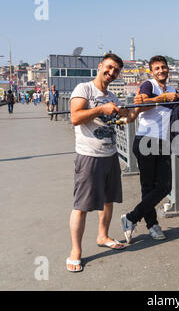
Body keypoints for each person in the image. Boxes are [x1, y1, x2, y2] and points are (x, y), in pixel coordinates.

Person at [120, 55, 179, 243]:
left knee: (164, 186)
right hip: (146, 140)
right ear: (151, 71)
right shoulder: (148, 85)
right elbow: (142, 104)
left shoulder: (173, 90)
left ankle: (131, 218)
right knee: (148, 187)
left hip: (163, 142)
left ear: (168, 70)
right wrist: (164, 97)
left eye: (163, 67)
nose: (161, 70)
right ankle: (152, 225)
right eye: (157, 68)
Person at [66, 53, 139, 272]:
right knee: (82, 206)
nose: (112, 72)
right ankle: (75, 251)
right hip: (89, 156)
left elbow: (126, 118)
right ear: (100, 66)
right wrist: (100, 109)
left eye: (116, 70)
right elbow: (75, 117)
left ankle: (102, 236)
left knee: (108, 201)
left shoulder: (113, 98)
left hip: (111, 155)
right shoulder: (84, 89)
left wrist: (137, 108)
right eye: (109, 67)